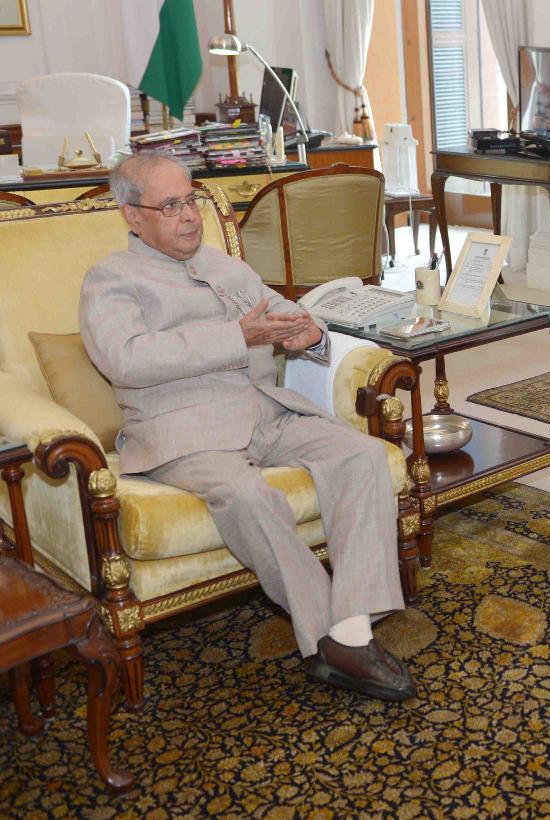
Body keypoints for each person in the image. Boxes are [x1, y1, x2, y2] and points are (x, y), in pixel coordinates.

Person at [79, 153, 415, 702]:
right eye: (170, 206)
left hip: (267, 411)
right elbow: (127, 360)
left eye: (191, 199)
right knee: (247, 496)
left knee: (361, 454)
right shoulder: (111, 279)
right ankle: (330, 637)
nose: (190, 215)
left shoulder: (226, 266)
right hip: (185, 431)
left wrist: (310, 334)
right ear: (132, 216)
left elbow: (283, 312)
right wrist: (238, 337)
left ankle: (352, 631)